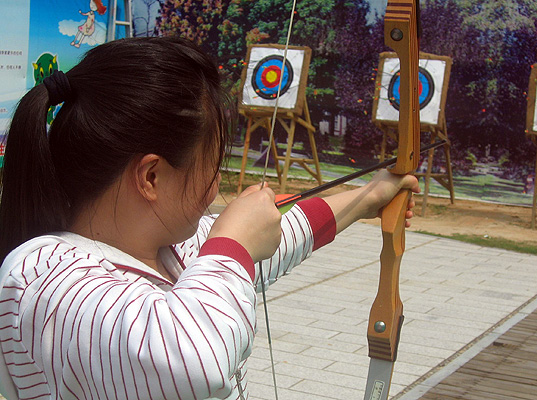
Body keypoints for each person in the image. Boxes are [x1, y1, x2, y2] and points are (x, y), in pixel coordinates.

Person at [0, 37, 419, 400]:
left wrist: (370, 195)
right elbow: (194, 357)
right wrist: (233, 242)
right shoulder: (47, 277)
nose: (217, 183)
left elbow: (286, 230)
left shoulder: (169, 246)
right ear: (150, 176)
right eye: (212, 164)